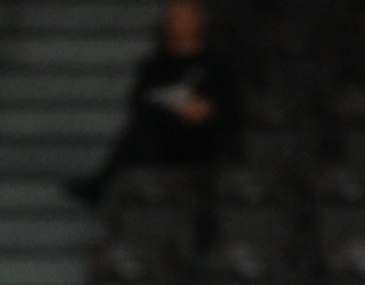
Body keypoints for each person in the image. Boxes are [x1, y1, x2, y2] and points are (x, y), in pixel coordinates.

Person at [66, 0, 241, 207]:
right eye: (173, 17)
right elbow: (139, 101)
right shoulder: (156, 65)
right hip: (162, 137)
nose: (177, 22)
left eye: (183, 16)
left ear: (200, 20)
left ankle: (105, 185)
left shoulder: (217, 65)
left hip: (201, 139)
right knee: (145, 127)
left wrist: (205, 109)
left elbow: (229, 107)